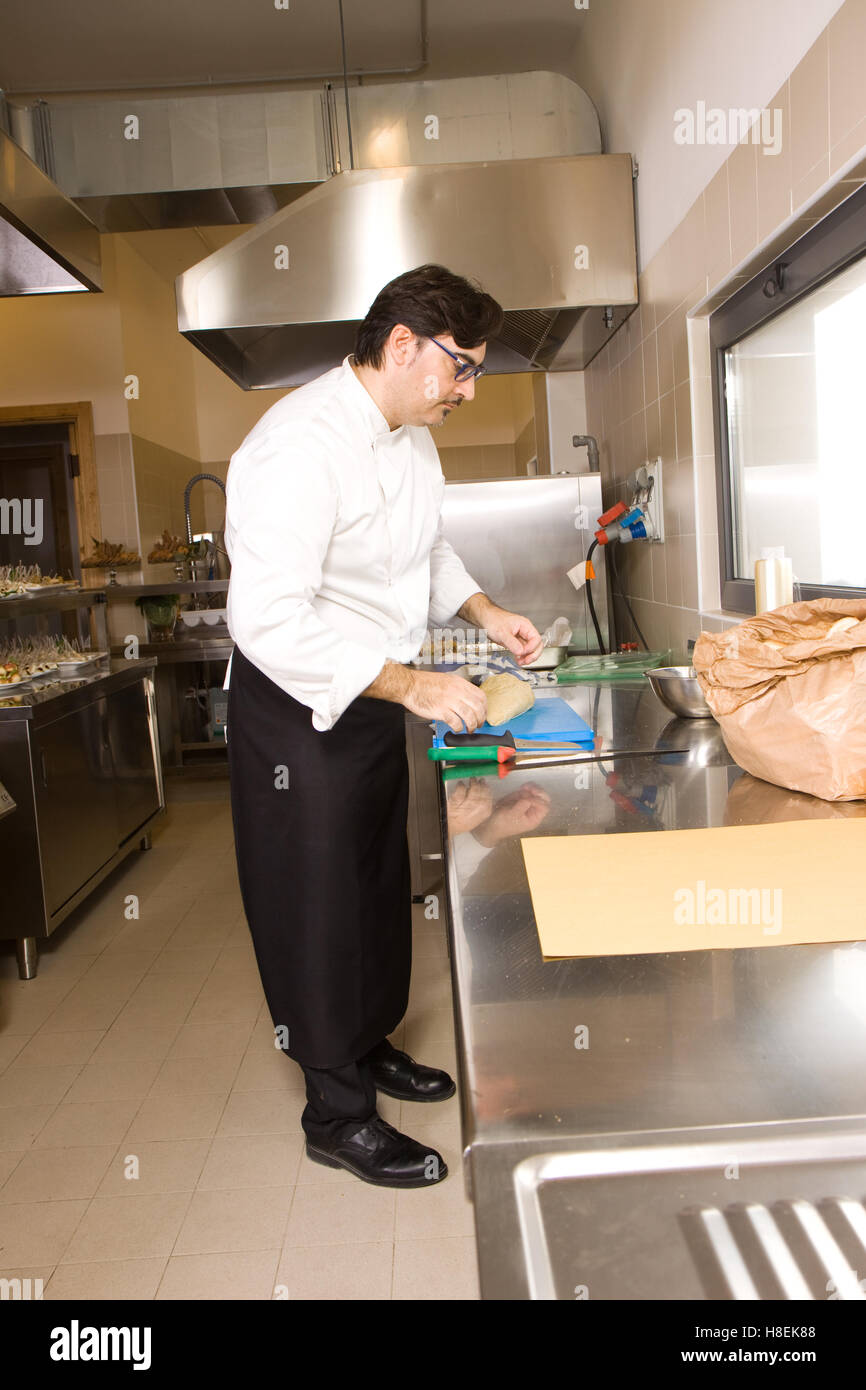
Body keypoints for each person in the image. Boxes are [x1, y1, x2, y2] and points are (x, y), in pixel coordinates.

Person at [223, 263, 543, 1189]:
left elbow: (424, 549)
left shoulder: (409, 436)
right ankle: (336, 1111)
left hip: (376, 695)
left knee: (372, 883)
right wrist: (410, 685)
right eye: (462, 367)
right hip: (299, 707)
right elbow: (269, 619)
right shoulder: (296, 447)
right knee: (315, 903)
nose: (469, 390)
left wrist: (485, 614)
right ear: (403, 345)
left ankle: (369, 1046)